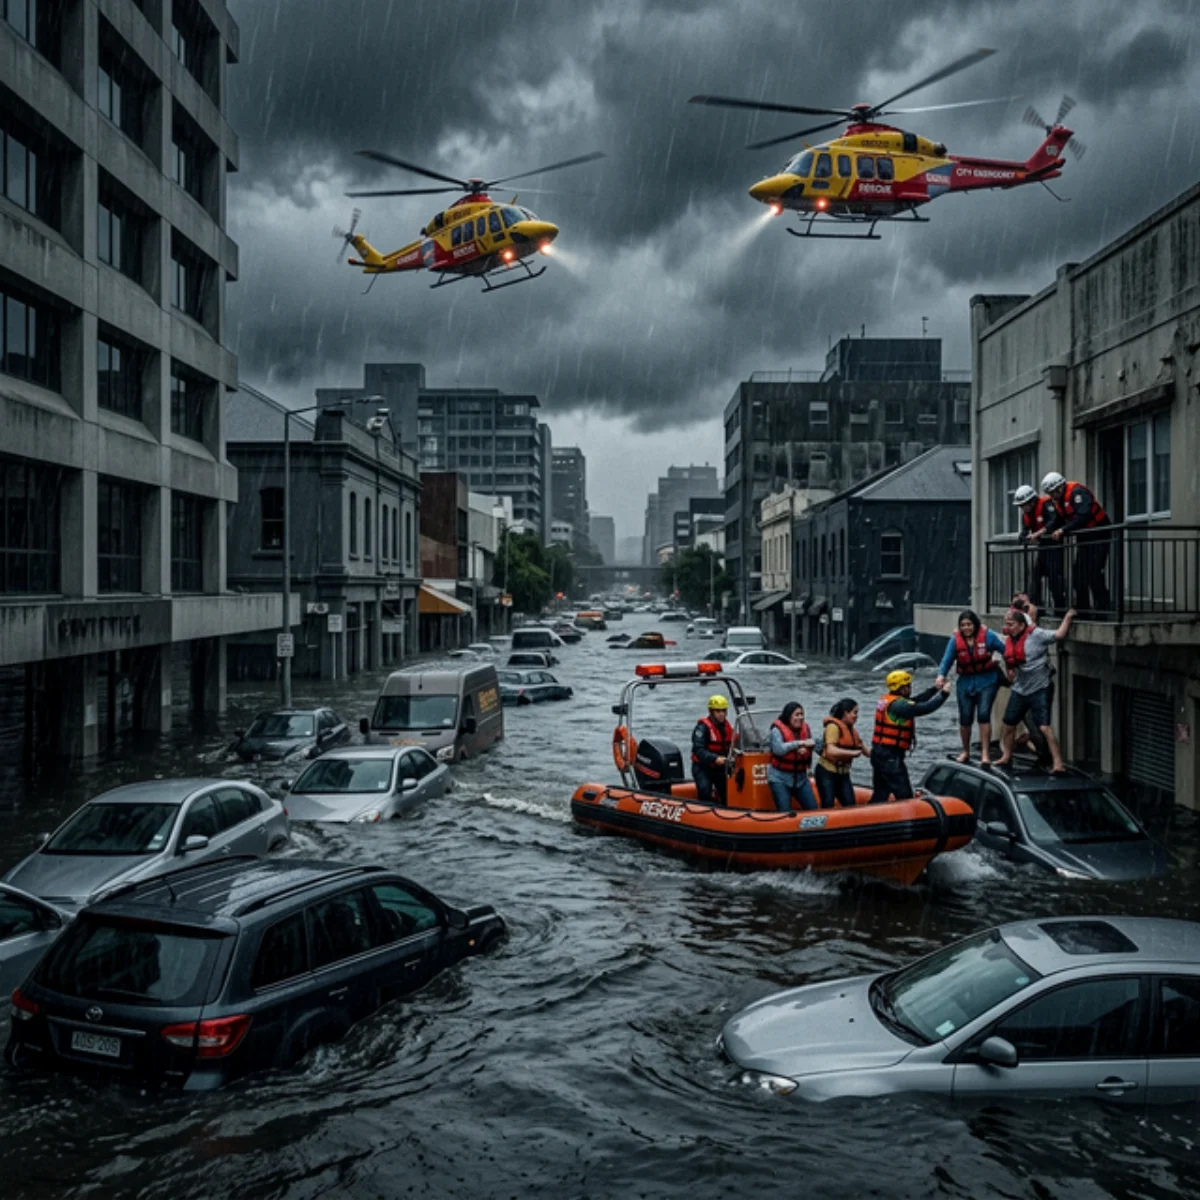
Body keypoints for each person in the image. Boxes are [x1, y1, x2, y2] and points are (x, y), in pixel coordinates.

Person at [996, 605, 1075, 773]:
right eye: (1006, 624)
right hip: (1020, 689)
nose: (1007, 627)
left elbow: (1059, 634)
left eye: (1010, 624)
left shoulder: (1037, 635)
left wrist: (1068, 617)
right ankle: (1006, 756)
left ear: (1021, 625)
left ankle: (1058, 762)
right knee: (1009, 724)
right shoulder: (1008, 640)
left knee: (1044, 726)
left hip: (1040, 687)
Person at [869, 669, 952, 804]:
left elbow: (916, 701)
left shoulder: (891, 701)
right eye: (908, 686)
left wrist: (935, 689)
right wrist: (944, 694)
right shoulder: (899, 706)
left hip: (879, 754)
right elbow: (925, 708)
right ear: (901, 689)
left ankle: (870, 817)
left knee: (880, 794)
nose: (910, 688)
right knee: (904, 795)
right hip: (890, 758)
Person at [935, 609, 1005, 765]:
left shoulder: (988, 636)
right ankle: (965, 751)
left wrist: (1009, 665)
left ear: (975, 625)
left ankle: (985, 754)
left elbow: (1005, 650)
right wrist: (941, 676)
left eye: (969, 624)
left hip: (987, 680)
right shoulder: (955, 640)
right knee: (965, 717)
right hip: (965, 682)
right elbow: (946, 660)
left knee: (983, 714)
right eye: (963, 625)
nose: (966, 628)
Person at [1041, 472, 1112, 616]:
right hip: (1085, 537)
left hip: (1098, 533)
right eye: (1050, 493)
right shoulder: (1058, 501)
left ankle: (1103, 609)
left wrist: (1063, 530)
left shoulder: (1078, 493)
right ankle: (1082, 608)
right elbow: (1058, 520)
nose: (1052, 496)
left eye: (1053, 492)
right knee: (1078, 573)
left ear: (1060, 488)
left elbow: (1083, 517)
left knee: (1094, 572)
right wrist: (1043, 532)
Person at [1013, 484, 1066, 613]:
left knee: (1054, 579)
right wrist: (1023, 537)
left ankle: (1060, 609)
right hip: (1043, 547)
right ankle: (1038, 607)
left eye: (1023, 505)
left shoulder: (1046, 505)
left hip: (1055, 545)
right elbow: (1025, 530)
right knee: (1035, 577)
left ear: (1031, 502)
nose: (1022, 508)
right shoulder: (1026, 514)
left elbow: (1053, 522)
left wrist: (1038, 534)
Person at [767, 701, 818, 813]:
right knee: (785, 812)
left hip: (801, 778)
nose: (800, 717)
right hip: (780, 778)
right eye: (797, 714)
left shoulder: (806, 728)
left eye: (801, 714)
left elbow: (810, 743)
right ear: (788, 716)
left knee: (813, 809)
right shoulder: (777, 730)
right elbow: (779, 749)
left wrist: (808, 747)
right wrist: (799, 744)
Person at [813, 698, 864, 810]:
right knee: (828, 804)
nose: (857, 716)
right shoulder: (833, 727)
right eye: (854, 712)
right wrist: (852, 753)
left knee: (850, 804)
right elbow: (831, 750)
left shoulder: (851, 730)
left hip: (843, 774)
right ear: (846, 713)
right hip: (827, 773)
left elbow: (863, 748)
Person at [691, 693, 733, 805]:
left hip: (721, 767)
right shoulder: (702, 728)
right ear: (711, 712)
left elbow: (735, 742)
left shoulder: (727, 727)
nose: (721, 714)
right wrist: (714, 758)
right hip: (703, 767)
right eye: (718, 711)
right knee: (705, 791)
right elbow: (698, 749)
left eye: (723, 711)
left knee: (728, 792)